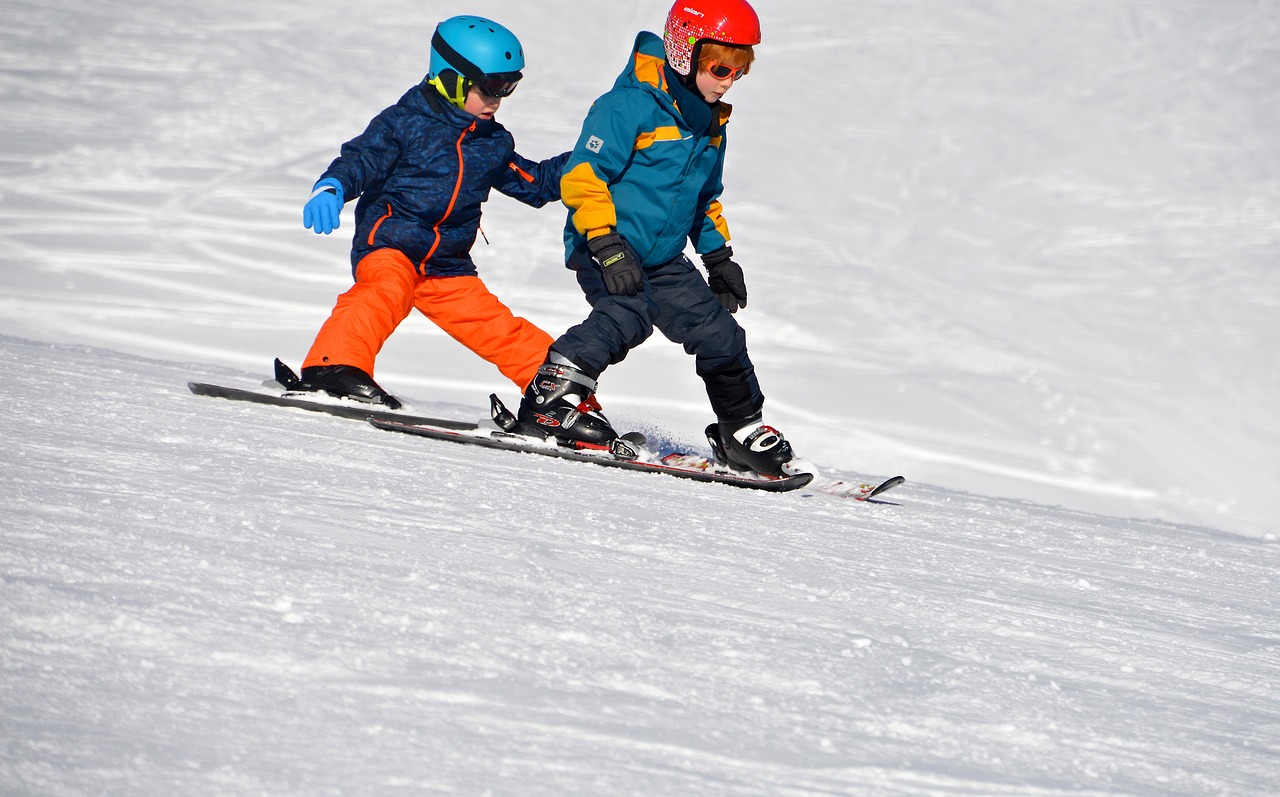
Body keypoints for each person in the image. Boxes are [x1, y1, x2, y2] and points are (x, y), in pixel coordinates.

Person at [511, 0, 799, 476]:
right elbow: (583, 176)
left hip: (663, 259)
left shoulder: (710, 125)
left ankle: (740, 431)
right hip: (604, 246)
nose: (728, 80)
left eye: (740, 70)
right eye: (720, 67)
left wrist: (719, 258)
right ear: (686, 52)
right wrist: (604, 242)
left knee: (720, 334)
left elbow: (705, 197)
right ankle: (551, 399)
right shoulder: (628, 106)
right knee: (628, 313)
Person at [292, 16, 567, 409]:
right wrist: (333, 186)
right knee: (384, 291)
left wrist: (595, 159)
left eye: (509, 87)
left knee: (497, 326)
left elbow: (536, 184)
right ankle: (333, 366)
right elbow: (362, 159)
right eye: (490, 86)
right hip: (392, 245)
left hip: (446, 264)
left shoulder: (492, 141)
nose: (497, 99)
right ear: (452, 77)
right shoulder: (404, 123)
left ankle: (559, 398)